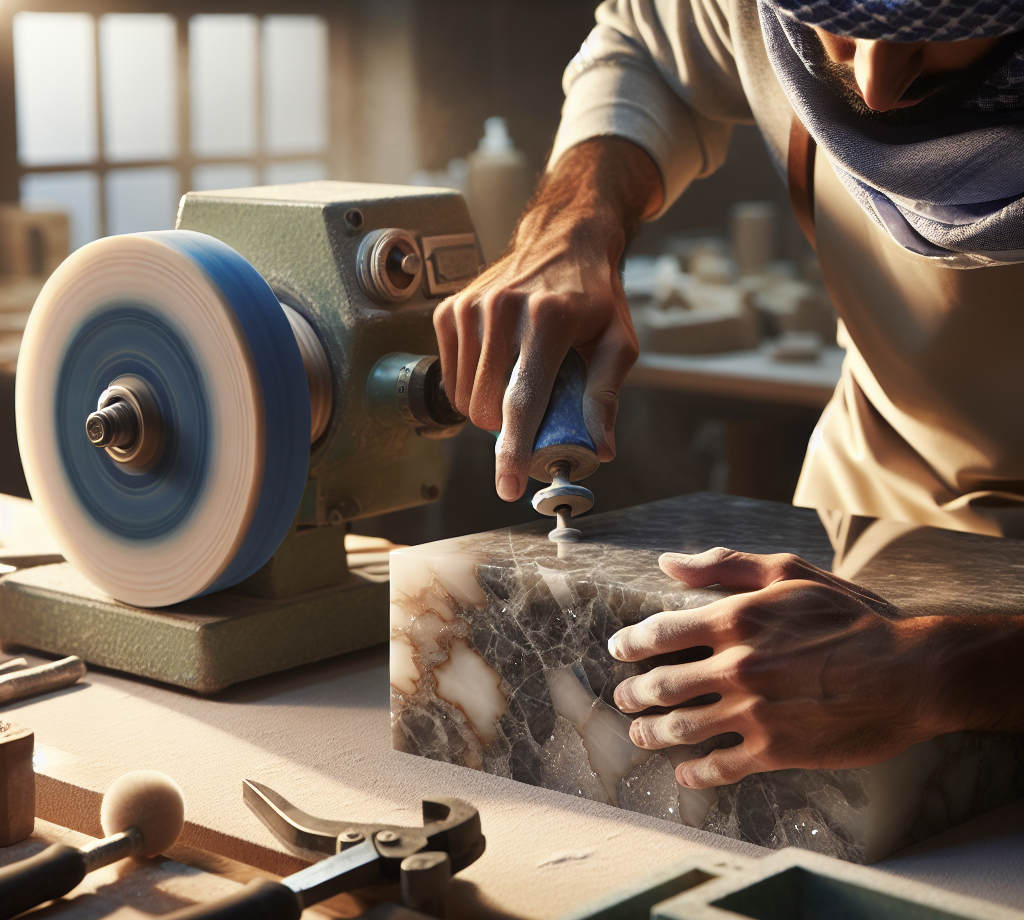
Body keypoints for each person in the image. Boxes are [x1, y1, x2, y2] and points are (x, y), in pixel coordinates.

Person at [433, 0, 1024, 788]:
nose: (875, 86)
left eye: (929, 34)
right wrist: (575, 219)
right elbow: (646, 50)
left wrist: (937, 671)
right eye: (843, 21)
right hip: (874, 506)